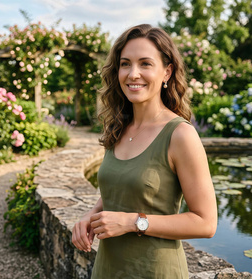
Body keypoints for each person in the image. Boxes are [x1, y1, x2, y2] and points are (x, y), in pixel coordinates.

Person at [71, 24, 218, 278]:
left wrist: (131, 222)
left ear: (167, 72)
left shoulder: (180, 135)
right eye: (125, 64)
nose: (133, 74)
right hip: (106, 270)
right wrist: (91, 215)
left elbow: (206, 222)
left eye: (145, 64)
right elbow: (120, 188)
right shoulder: (118, 127)